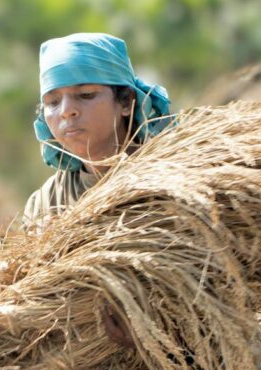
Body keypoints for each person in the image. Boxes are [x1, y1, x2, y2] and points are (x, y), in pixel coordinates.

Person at [21, 32, 173, 232]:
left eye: (85, 95)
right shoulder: (44, 204)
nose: (66, 111)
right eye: (53, 102)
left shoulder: (167, 177)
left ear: (126, 101)